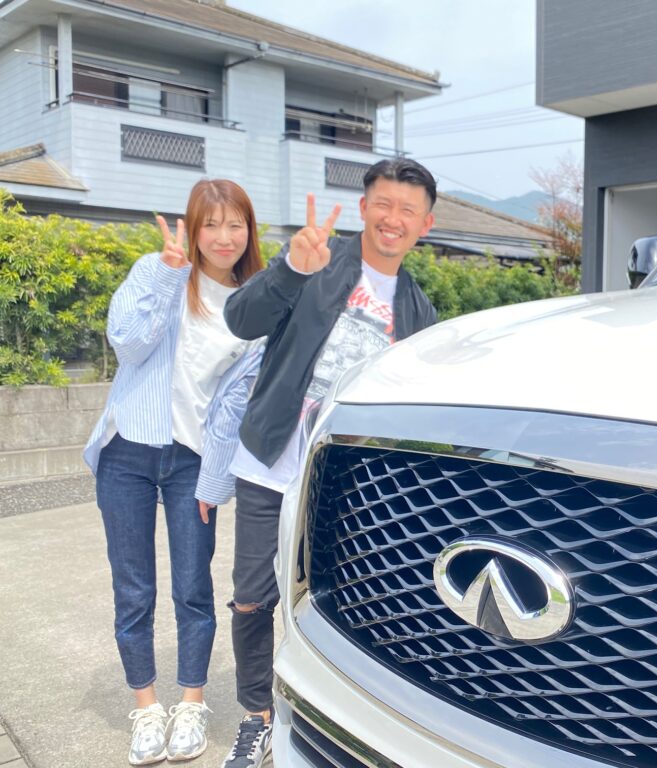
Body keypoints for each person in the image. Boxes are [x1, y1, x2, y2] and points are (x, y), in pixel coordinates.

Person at [219, 158, 439, 768]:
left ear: (425, 224)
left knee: (343, 605)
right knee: (252, 597)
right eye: (383, 204)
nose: (393, 219)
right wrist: (290, 270)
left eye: (408, 210)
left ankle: (333, 715)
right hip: (270, 463)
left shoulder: (420, 312)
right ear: (364, 208)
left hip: (346, 484)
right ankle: (257, 716)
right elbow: (241, 319)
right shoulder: (317, 260)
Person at [83, 179, 264, 765]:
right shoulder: (155, 271)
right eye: (211, 224)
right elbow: (129, 345)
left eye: (235, 224)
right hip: (127, 453)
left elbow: (234, 405)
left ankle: (191, 703)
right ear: (193, 227)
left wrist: (215, 477)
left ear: (249, 231)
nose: (223, 237)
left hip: (192, 460)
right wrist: (167, 275)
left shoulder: (253, 306)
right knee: (133, 588)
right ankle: (146, 709)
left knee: (193, 587)